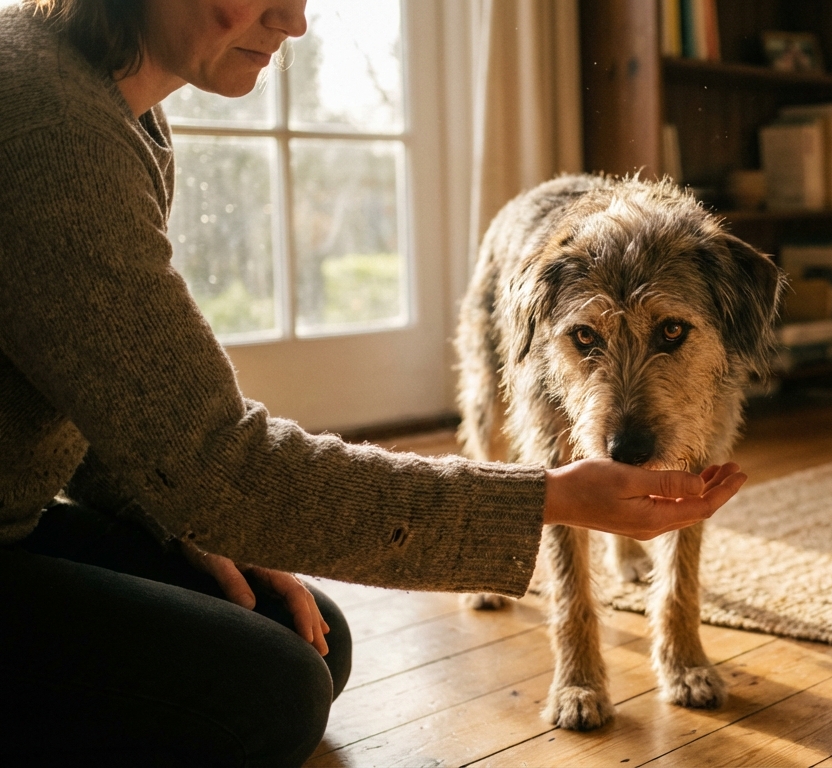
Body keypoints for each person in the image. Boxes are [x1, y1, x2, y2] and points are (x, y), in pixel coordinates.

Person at [0, 0, 748, 765]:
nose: (294, 24)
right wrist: (544, 497)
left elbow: (89, 396)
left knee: (311, 641)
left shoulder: (117, 107)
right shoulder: (51, 129)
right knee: (277, 692)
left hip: (18, 516)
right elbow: (220, 460)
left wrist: (187, 527)